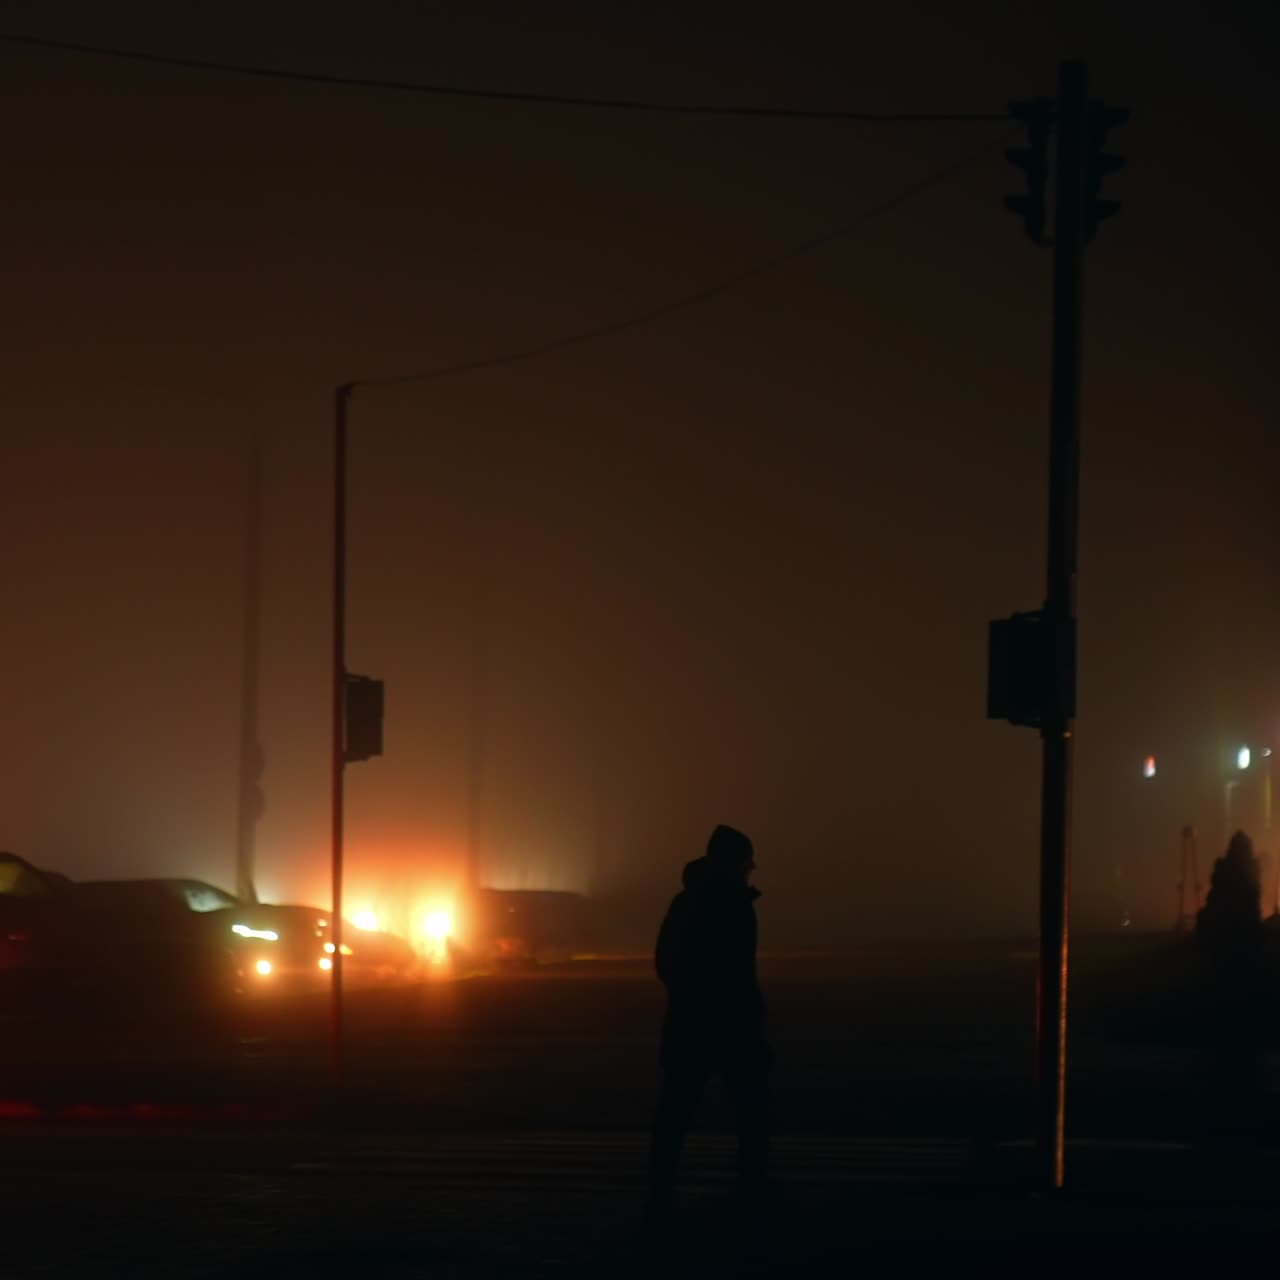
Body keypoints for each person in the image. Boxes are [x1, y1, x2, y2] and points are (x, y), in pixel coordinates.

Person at [646, 823, 772, 1227]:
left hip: (691, 1025)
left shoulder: (687, 903)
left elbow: (666, 962)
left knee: (676, 1112)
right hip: (730, 1027)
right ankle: (751, 1192)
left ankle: (659, 1192)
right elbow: (739, 974)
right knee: (750, 1113)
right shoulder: (736, 906)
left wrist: (688, 997)